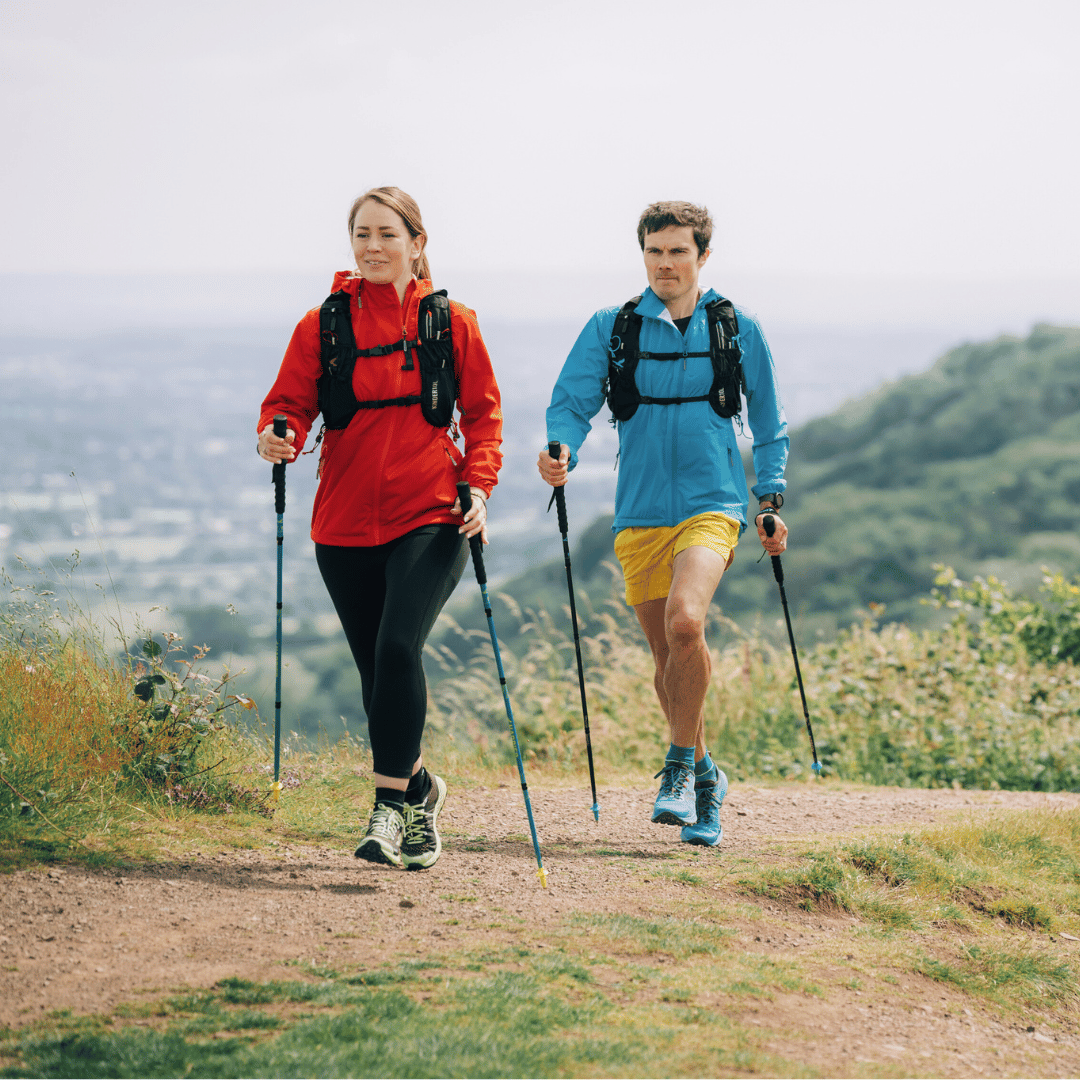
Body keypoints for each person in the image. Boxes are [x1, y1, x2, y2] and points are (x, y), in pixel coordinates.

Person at [258, 186, 503, 870]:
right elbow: (287, 405)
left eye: (387, 234)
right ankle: (419, 788)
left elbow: (484, 417)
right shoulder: (322, 325)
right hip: (341, 525)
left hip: (433, 513)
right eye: (362, 234)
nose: (373, 246)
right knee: (377, 675)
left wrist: (480, 486)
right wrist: (276, 434)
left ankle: (389, 810)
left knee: (397, 649)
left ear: (417, 243)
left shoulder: (452, 323)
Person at [538, 200, 789, 848]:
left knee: (685, 623)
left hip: (713, 504)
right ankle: (706, 777)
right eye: (655, 252)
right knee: (666, 659)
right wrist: (560, 449)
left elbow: (769, 421)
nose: (666, 264)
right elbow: (571, 404)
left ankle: (677, 767)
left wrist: (770, 497)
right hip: (640, 511)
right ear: (643, 255)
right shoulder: (613, 327)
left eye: (679, 251)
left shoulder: (735, 327)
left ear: (703, 256)